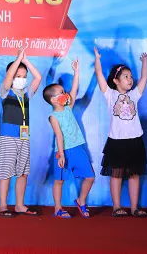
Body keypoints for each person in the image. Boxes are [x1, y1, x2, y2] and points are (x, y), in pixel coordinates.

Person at [94, 47, 147, 217]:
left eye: (131, 76)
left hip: (135, 140)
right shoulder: (109, 94)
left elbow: (144, 78)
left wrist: (144, 62)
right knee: (116, 175)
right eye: (126, 76)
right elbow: (99, 75)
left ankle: (134, 208)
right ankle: (116, 207)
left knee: (134, 175)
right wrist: (97, 60)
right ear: (116, 80)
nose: (130, 79)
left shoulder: (134, 95)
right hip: (116, 141)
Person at [44, 58, 95, 218]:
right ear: (53, 100)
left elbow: (74, 89)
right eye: (61, 92)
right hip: (63, 152)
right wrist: (61, 154)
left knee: (90, 176)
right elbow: (59, 136)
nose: (65, 94)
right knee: (59, 181)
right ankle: (58, 209)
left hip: (77, 148)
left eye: (64, 91)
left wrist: (76, 71)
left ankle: (81, 200)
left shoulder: (69, 107)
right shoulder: (53, 116)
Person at [0, 47, 42, 217]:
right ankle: (3, 206)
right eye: (18, 76)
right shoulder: (5, 91)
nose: (21, 79)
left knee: (23, 172)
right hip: (8, 137)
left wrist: (25, 60)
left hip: (24, 137)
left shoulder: (26, 94)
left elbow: (38, 77)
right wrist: (17, 60)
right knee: (6, 172)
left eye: (24, 77)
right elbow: (9, 77)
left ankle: (20, 205)